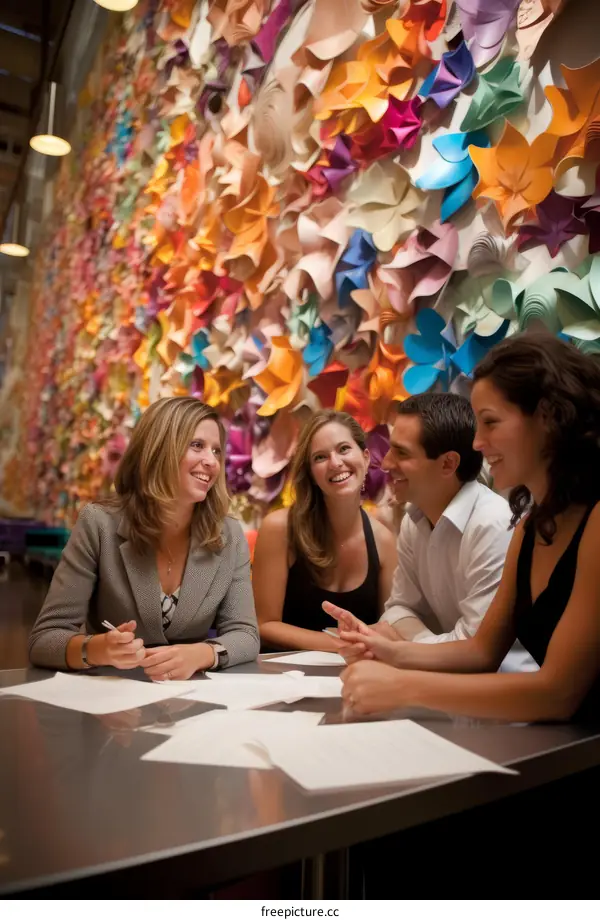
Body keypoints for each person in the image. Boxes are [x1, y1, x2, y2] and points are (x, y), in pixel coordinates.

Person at [337, 334, 600, 722]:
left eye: (491, 422)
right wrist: (387, 650)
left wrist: (402, 684)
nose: (478, 442)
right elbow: (480, 650)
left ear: (549, 417)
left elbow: (558, 692)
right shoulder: (528, 528)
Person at [29, 397, 259, 678]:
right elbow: (44, 640)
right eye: (197, 445)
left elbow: (246, 635)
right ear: (160, 448)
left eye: (217, 451)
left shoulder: (229, 534)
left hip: (193, 705)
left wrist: (203, 654)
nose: (211, 461)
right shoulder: (99, 524)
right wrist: (98, 648)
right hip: (113, 708)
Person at [327, 392, 533, 672]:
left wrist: (399, 648)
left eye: (401, 452)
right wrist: (410, 644)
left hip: (507, 698)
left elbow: (474, 649)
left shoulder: (494, 525)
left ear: (448, 464)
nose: (385, 463)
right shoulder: (415, 519)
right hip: (449, 686)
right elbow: (399, 609)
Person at [253, 410, 397, 652]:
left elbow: (388, 629)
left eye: (343, 449)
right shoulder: (279, 528)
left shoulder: (384, 541)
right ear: (311, 473)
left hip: (357, 677)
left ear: (365, 457)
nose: (335, 463)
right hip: (279, 681)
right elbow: (263, 625)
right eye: (320, 457)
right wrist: (340, 645)